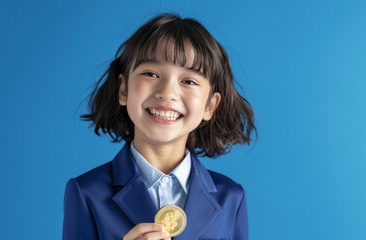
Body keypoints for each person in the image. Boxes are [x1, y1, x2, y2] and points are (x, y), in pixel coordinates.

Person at [62, 13, 256, 240]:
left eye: (189, 81)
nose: (167, 92)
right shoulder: (87, 192)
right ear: (123, 90)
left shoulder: (231, 197)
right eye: (151, 74)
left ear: (210, 106)